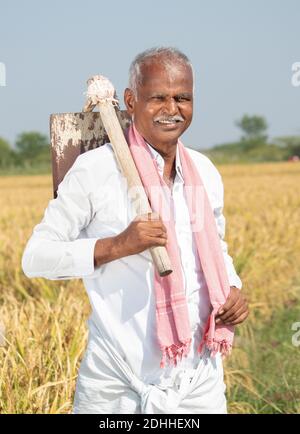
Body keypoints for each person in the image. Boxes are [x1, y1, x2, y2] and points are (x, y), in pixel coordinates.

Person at [22, 47, 249, 414]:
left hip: (198, 379)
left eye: (182, 98)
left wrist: (233, 286)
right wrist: (119, 245)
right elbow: (35, 258)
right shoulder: (95, 170)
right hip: (116, 384)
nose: (171, 109)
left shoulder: (205, 171)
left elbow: (215, 248)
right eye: (158, 97)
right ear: (130, 100)